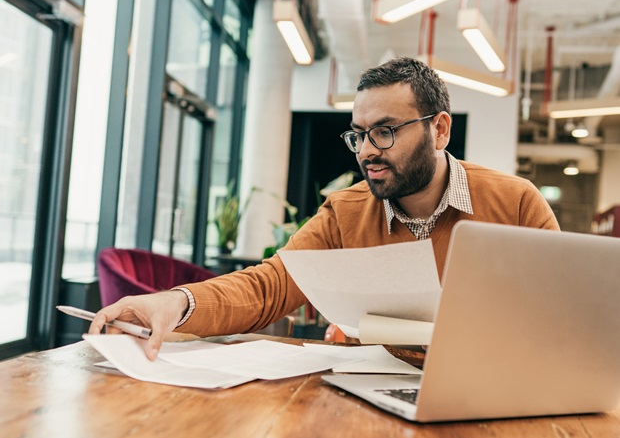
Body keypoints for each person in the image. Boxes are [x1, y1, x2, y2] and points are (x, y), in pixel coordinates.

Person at [89, 57, 560, 359]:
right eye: (359, 134)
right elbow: (270, 286)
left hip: (487, 392)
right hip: (376, 392)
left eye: (385, 130)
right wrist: (177, 302)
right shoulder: (345, 211)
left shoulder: (516, 203)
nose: (367, 151)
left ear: (439, 130)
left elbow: (557, 319)